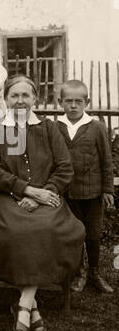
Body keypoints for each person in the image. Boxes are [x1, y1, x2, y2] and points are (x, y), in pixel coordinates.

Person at [0, 75, 85, 331]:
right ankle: (31, 306)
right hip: (6, 198)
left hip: (46, 195)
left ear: (35, 99)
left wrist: (43, 193)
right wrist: (26, 190)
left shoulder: (49, 129)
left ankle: (25, 303)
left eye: (26, 95)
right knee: (16, 231)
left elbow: (65, 168)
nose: (20, 101)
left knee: (49, 226)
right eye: (14, 95)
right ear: (5, 99)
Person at [57, 79, 114, 293]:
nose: (73, 106)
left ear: (86, 102)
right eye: (68, 101)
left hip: (93, 192)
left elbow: (107, 160)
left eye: (78, 101)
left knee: (93, 234)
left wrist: (108, 189)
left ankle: (94, 272)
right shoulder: (56, 127)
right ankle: (78, 272)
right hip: (69, 192)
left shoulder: (96, 127)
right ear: (60, 102)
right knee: (75, 233)